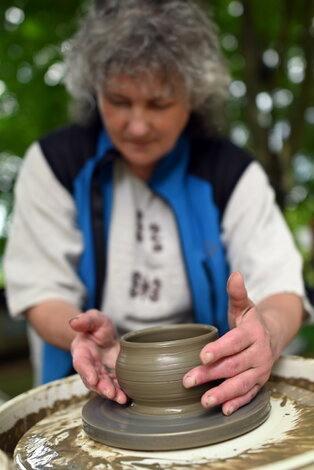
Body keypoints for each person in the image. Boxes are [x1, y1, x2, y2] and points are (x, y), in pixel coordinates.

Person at [4, 0, 311, 417]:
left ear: (193, 96)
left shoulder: (231, 171)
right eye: (118, 100)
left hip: (205, 394)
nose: (136, 125)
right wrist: (82, 334)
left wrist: (268, 334)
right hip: (87, 398)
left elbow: (282, 288)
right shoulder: (57, 163)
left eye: (159, 104)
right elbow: (41, 289)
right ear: (96, 90)